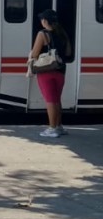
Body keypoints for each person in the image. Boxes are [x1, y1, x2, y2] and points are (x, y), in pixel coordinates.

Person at [28, 9, 72, 138]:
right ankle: (59, 126)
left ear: (45, 21)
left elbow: (35, 53)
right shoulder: (62, 33)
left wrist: (33, 55)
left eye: (42, 19)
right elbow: (68, 52)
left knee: (50, 101)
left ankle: (52, 128)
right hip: (60, 70)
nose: (41, 21)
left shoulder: (42, 34)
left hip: (46, 71)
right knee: (57, 99)